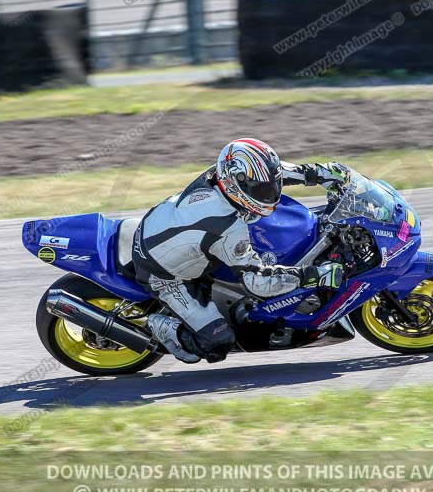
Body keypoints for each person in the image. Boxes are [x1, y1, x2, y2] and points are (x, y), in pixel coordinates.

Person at [131, 138, 349, 364]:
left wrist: (325, 173)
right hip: (165, 275)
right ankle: (162, 327)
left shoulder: (225, 176)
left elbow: (281, 172)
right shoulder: (226, 226)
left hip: (167, 231)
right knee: (217, 341)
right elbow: (258, 282)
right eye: (262, 189)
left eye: (271, 186)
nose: (271, 193)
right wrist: (313, 275)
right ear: (237, 184)